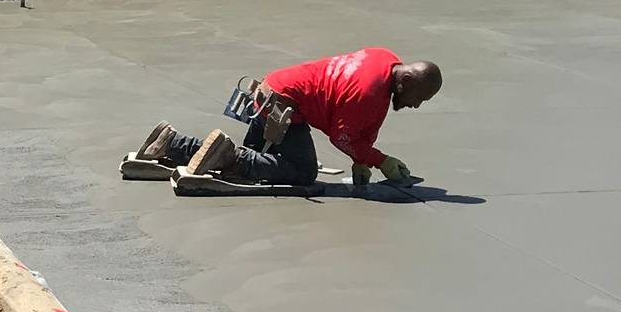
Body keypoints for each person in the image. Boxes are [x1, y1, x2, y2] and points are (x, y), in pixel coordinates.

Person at [133, 49, 443, 188]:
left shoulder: (384, 59)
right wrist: (379, 159)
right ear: (405, 83)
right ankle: (224, 154)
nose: (416, 106)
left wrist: (363, 158)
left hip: (270, 89)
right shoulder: (368, 94)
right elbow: (342, 136)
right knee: (302, 172)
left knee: (255, 159)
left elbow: (367, 118)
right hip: (284, 108)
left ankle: (170, 142)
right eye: (420, 98)